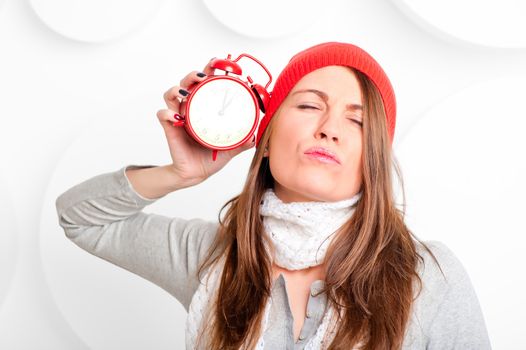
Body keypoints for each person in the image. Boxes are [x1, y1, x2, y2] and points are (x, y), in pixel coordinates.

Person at [55, 42, 491, 349]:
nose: (329, 128)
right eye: (307, 106)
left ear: (372, 159)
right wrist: (180, 174)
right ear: (265, 136)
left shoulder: (428, 277)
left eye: (357, 121)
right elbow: (81, 219)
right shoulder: (211, 258)